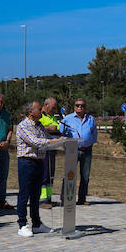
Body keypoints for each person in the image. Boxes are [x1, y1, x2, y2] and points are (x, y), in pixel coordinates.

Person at [15, 100, 68, 237]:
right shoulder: (23, 126)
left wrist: (62, 140)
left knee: (36, 194)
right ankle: (22, 224)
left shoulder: (39, 125)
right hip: (27, 162)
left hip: (39, 162)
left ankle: (37, 223)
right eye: (39, 109)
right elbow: (36, 141)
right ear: (30, 112)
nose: (41, 111)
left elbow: (48, 138)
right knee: (25, 193)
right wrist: (54, 141)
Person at [61, 98, 97, 205]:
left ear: (85, 107)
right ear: (74, 107)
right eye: (77, 105)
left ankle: (82, 198)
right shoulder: (67, 119)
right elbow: (62, 132)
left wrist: (91, 142)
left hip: (87, 150)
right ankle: (67, 199)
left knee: (85, 176)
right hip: (72, 150)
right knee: (69, 175)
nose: (80, 107)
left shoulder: (90, 118)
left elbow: (94, 132)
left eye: (82, 105)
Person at [39, 97, 62, 206]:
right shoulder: (40, 115)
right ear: (46, 105)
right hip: (43, 149)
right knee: (43, 174)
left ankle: (48, 198)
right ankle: (41, 199)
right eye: (53, 107)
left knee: (50, 174)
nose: (55, 110)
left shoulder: (52, 116)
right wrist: (49, 128)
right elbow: (36, 128)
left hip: (52, 148)